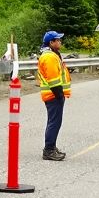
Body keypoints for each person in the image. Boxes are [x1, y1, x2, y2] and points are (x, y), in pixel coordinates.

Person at [38, 30, 70, 161]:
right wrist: (59, 95)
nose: (60, 42)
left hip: (53, 94)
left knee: (54, 121)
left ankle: (51, 147)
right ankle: (49, 150)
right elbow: (53, 80)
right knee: (54, 122)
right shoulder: (49, 57)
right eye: (58, 40)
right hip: (53, 94)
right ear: (51, 42)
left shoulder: (52, 55)